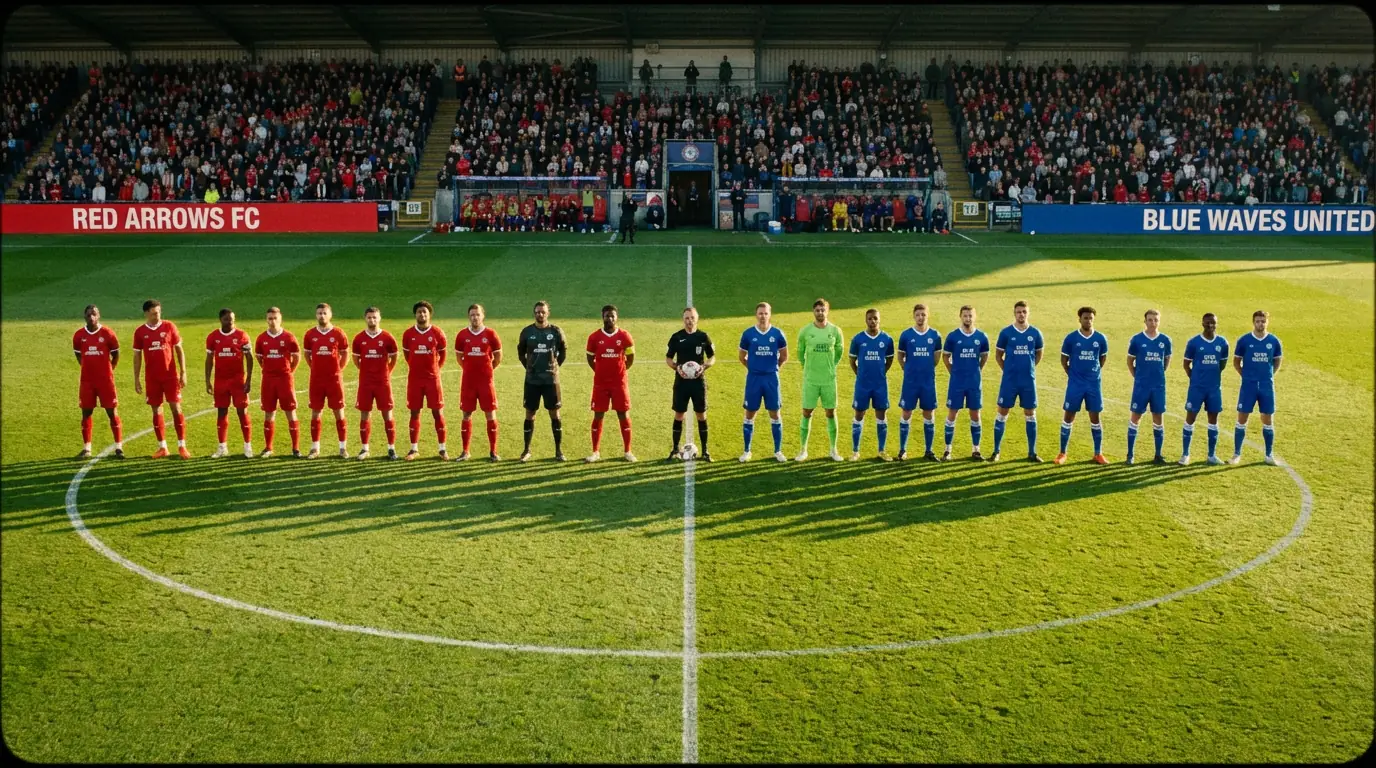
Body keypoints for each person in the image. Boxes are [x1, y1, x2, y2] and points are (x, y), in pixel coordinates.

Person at [132, 299, 189, 459]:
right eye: (153, 313)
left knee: (176, 409)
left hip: (170, 376)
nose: (157, 316)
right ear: (146, 314)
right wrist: (136, 379)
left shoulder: (169, 326)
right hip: (152, 378)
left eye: (158, 312)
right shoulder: (139, 332)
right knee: (156, 410)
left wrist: (183, 372)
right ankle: (162, 447)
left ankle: (182, 445)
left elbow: (179, 350)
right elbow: (137, 357)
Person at [992, 300, 1045, 462]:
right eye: (1018, 312)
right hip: (1009, 381)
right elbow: (998, 356)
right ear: (1014, 313)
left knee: (1030, 414)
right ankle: (996, 451)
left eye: (1024, 312)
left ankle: (1032, 452)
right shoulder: (1006, 333)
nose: (1021, 315)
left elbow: (1038, 354)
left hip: (1028, 381)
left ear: (1028, 313)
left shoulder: (1035, 333)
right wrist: (1008, 369)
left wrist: (1028, 368)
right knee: (1002, 413)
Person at [1056, 307, 1110, 465]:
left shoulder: (1100, 338)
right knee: (1068, 416)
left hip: (1093, 385)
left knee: (1095, 418)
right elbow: (1064, 360)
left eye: (1091, 318)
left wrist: (1093, 374)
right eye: (1085, 318)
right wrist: (1073, 374)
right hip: (1075, 385)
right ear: (1079, 319)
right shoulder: (1071, 338)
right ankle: (1062, 453)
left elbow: (1102, 359)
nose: (1088, 320)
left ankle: (1098, 453)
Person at [517, 300, 568, 462]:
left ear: (548, 313)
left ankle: (558, 451)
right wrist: (530, 368)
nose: (540, 314)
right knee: (530, 413)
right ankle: (526, 450)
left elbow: (563, 351)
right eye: (537, 312)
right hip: (532, 380)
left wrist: (554, 367)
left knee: (554, 413)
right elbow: (521, 353)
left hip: (550, 381)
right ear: (534, 313)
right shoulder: (526, 332)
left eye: (543, 312)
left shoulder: (556, 331)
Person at [795, 298, 845, 462]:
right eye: (817, 310)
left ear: (827, 311)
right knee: (807, 412)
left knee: (830, 412)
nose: (820, 313)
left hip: (829, 379)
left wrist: (830, 366)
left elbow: (839, 352)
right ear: (813, 312)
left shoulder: (835, 331)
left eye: (823, 310)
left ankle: (833, 449)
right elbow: (800, 352)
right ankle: (803, 450)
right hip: (811, 379)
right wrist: (807, 367)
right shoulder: (805, 331)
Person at [1230, 310, 1283, 465]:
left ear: (1267, 322)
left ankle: (1269, 455)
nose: (1261, 324)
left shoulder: (1274, 341)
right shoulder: (1244, 340)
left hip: (1266, 386)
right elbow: (1236, 361)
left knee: (1268, 419)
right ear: (1253, 322)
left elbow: (1277, 360)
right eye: (1258, 321)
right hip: (1248, 386)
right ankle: (1236, 454)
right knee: (1242, 417)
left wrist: (1270, 374)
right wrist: (1245, 376)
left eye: (1263, 321)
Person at [738, 302, 789, 462]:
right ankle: (747, 451)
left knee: (775, 413)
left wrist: (774, 368)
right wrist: (753, 368)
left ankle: (778, 451)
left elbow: (784, 356)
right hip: (753, 378)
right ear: (756, 315)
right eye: (760, 313)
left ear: (770, 314)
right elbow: (742, 356)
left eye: (765, 313)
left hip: (771, 378)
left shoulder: (778, 334)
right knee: (750, 413)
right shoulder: (748, 334)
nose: (763, 316)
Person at [665, 307, 716, 462]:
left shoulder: (703, 336)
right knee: (679, 414)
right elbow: (668, 358)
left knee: (701, 415)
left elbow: (712, 357)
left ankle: (705, 451)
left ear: (697, 319)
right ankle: (674, 449)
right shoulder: (676, 337)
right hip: (681, 382)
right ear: (683, 319)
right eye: (687, 318)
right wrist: (677, 367)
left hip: (698, 382)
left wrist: (704, 366)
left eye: (692, 317)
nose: (689, 320)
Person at [586, 304, 636, 462]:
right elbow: (590, 358)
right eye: (607, 316)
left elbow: (631, 357)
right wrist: (600, 371)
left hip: (619, 384)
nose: (610, 318)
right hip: (600, 384)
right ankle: (595, 452)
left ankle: (628, 451)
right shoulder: (594, 337)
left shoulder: (625, 336)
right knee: (598, 415)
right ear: (602, 317)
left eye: (612, 316)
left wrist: (621, 370)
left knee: (623, 414)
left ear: (617, 317)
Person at [73, 304, 124, 459]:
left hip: (106, 381)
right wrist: (87, 368)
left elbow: (116, 354)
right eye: (89, 315)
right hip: (87, 382)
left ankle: (119, 447)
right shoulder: (79, 335)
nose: (92, 317)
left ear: (99, 315)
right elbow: (78, 355)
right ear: (85, 317)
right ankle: (87, 448)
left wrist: (108, 369)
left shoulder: (108, 333)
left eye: (94, 314)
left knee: (112, 412)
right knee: (86, 413)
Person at [941, 305, 990, 461]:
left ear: (974, 317)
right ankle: (947, 450)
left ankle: (976, 449)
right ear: (960, 317)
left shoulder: (981, 337)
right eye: (965, 316)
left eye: (970, 315)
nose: (968, 318)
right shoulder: (953, 336)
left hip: (974, 383)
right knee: (952, 413)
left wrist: (976, 370)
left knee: (975, 414)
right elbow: (945, 357)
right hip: (957, 382)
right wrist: (953, 371)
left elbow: (984, 356)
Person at [1179, 313, 1229, 466]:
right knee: (1190, 419)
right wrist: (1195, 379)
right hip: (1196, 388)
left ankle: (1211, 455)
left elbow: (1222, 365)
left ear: (1216, 323)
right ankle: (1185, 454)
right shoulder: (1194, 343)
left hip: (1214, 388)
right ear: (1202, 323)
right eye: (1207, 323)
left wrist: (1211, 378)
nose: (1210, 325)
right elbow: (1186, 365)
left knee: (1213, 421)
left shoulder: (1222, 343)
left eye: (1213, 323)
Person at [455, 303, 502, 461]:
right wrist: (469, 369)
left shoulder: (491, 334)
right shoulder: (462, 335)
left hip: (486, 382)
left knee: (490, 413)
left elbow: (498, 357)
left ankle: (493, 451)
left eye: (477, 314)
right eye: (472, 315)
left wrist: (487, 369)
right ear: (469, 317)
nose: (475, 317)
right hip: (468, 381)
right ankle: (465, 451)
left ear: (483, 316)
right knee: (466, 414)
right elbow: (459, 357)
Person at [205, 308, 254, 459]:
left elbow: (249, 358)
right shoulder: (213, 337)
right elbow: (209, 360)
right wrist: (207, 380)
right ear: (221, 320)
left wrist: (248, 379)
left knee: (242, 412)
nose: (230, 322)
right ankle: (222, 447)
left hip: (238, 380)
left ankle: (248, 447)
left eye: (232, 319)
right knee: (221, 412)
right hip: (220, 381)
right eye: (227, 319)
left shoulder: (242, 335)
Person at [302, 303, 350, 459]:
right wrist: (315, 368)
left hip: (334, 380)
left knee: (339, 412)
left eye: (324, 313)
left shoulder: (338, 333)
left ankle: (343, 448)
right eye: (319, 313)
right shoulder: (310, 334)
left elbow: (345, 353)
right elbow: (307, 355)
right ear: (316, 315)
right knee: (316, 413)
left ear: (330, 315)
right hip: (316, 380)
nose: (321, 316)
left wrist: (338, 369)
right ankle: (315, 448)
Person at [401, 301, 448, 460]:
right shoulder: (408, 334)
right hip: (414, 379)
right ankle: (414, 449)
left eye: (425, 312)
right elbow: (408, 356)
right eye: (419, 312)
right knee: (414, 413)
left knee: (437, 412)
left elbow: (443, 354)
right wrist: (416, 368)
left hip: (432, 380)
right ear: (415, 314)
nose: (422, 315)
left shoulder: (437, 333)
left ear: (429, 315)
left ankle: (442, 449)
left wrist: (435, 369)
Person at [352, 306, 399, 460]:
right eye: (369, 317)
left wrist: (386, 372)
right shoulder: (359, 338)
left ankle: (391, 448)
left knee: (387, 414)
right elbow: (356, 359)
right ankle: (365, 449)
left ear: (380, 318)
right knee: (365, 414)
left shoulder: (387, 337)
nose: (372, 320)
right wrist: (366, 371)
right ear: (365, 319)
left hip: (382, 383)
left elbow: (394, 357)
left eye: (375, 317)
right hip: (365, 382)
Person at [1125, 309, 1172, 464]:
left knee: (1158, 418)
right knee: (1135, 417)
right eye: (1150, 320)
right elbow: (1130, 361)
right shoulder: (1137, 340)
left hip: (1158, 386)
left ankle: (1158, 455)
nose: (1153, 323)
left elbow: (1166, 361)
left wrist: (1158, 374)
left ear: (1159, 321)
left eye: (1155, 320)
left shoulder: (1165, 340)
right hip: (1141, 386)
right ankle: (1130, 455)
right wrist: (1137, 376)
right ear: (1144, 321)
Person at [896, 303, 942, 461]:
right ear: (913, 316)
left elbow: (936, 358)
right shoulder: (906, 335)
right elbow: (900, 356)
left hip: (928, 382)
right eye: (918, 315)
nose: (921, 317)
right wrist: (907, 368)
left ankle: (928, 450)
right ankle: (902, 450)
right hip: (910, 382)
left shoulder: (935, 336)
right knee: (906, 413)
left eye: (923, 314)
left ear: (927, 315)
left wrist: (926, 368)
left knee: (929, 414)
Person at [255, 307, 302, 458]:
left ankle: (295, 449)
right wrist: (268, 369)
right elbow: (259, 357)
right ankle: (268, 448)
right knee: (269, 413)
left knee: (291, 412)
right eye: (270, 318)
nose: (272, 321)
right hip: (268, 380)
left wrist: (289, 370)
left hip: (285, 379)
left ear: (280, 319)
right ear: (266, 319)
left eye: (275, 318)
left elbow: (296, 357)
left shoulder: (289, 337)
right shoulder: (261, 338)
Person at [848, 308, 895, 460]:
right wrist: (860, 374)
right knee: (859, 414)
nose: (873, 321)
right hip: (862, 384)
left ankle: (881, 451)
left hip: (880, 384)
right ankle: (855, 451)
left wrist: (881, 373)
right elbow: (852, 360)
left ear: (879, 320)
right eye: (870, 319)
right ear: (866, 320)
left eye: (875, 318)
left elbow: (889, 360)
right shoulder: (858, 339)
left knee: (881, 415)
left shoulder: (887, 339)